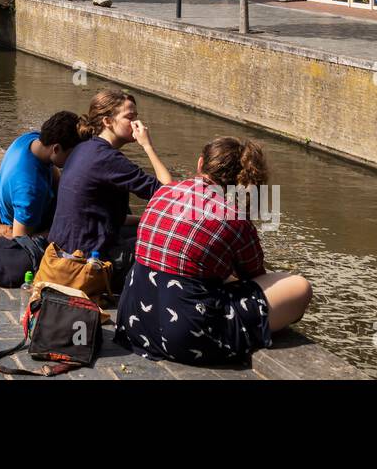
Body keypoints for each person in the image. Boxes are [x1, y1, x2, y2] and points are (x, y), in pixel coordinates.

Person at [113, 137, 311, 366]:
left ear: (200, 164)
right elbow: (255, 276)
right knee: (298, 286)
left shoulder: (165, 191)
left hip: (133, 320)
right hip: (184, 336)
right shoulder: (233, 216)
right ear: (242, 179)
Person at [48, 90, 173, 289]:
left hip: (61, 251)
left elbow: (100, 213)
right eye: (129, 117)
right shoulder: (109, 160)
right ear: (107, 121)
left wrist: (144, 221)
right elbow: (170, 194)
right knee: (169, 240)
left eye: (136, 117)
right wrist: (148, 146)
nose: (137, 124)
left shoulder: (84, 148)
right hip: (88, 262)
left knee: (146, 226)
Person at [0, 111, 82, 238]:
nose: (75, 160)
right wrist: (60, 233)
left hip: (28, 206)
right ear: (56, 149)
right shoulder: (30, 189)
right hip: (24, 225)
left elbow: (54, 173)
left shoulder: (31, 139)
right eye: (72, 155)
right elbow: (20, 239)